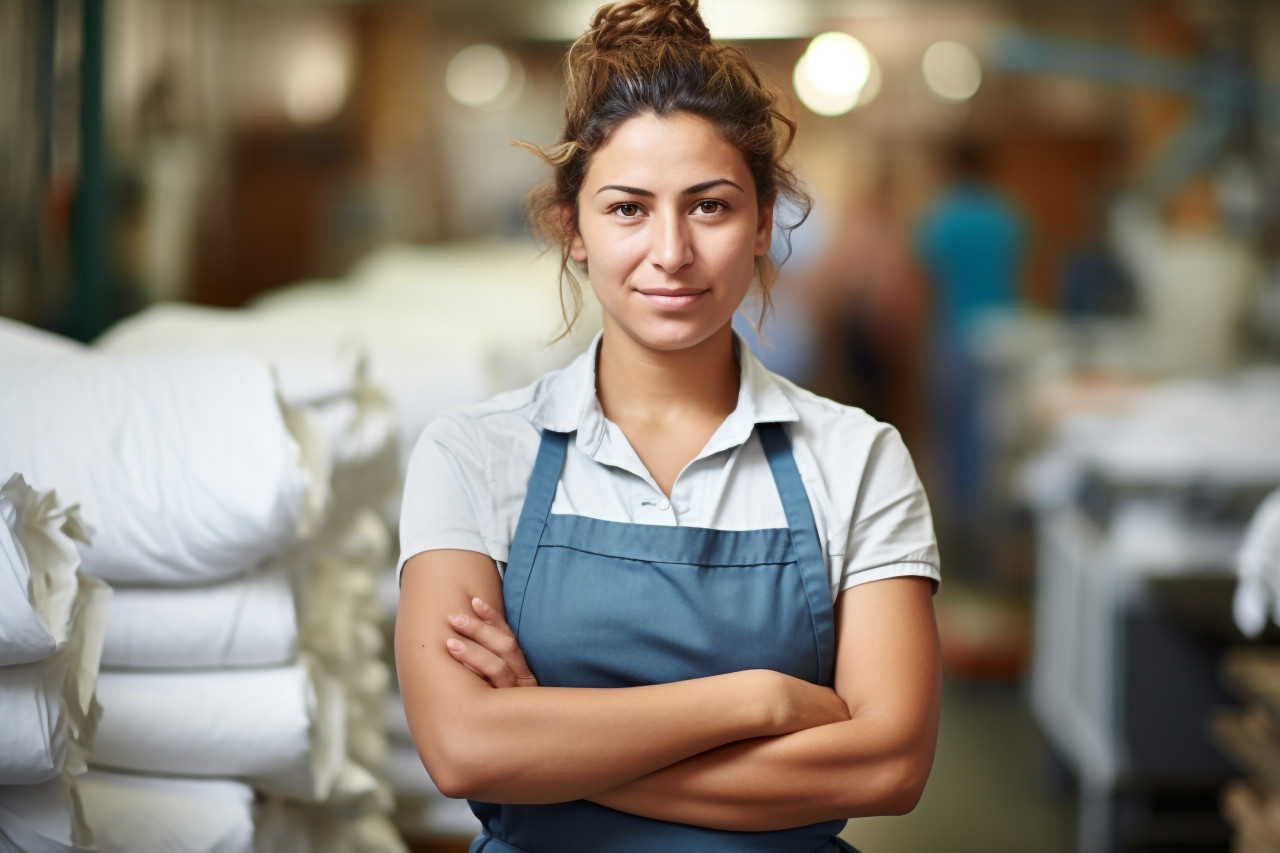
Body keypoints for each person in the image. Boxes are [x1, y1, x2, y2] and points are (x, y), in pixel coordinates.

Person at [394, 3, 942, 851]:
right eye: (627, 209)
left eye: (711, 207)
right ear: (570, 227)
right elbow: (462, 748)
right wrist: (755, 700)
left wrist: (546, 752)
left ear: (764, 223)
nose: (672, 251)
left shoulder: (858, 458)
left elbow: (889, 767)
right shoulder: (473, 454)